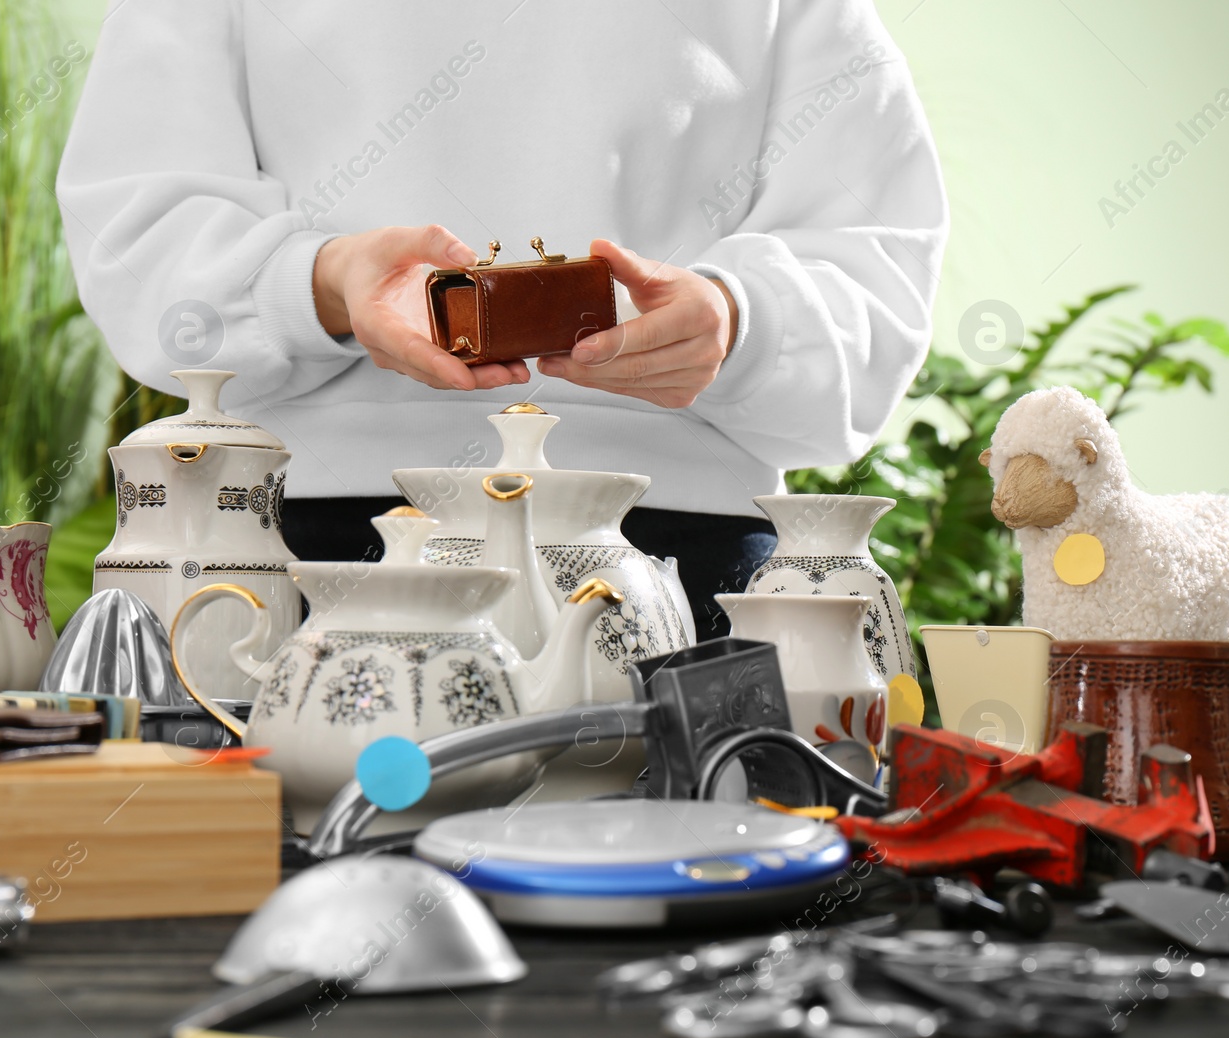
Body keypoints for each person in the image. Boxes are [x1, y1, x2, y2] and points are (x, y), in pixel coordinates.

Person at [57, 1, 948, 639]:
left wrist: (738, 320)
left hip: (689, 562)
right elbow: (141, 233)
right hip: (307, 555)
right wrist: (321, 283)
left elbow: (876, 269)